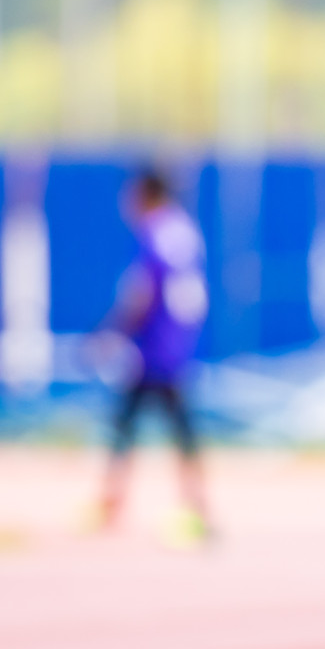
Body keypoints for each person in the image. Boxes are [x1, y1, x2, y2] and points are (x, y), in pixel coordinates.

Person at [96, 169, 211, 544]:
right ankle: (195, 504)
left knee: (128, 425)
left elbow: (140, 293)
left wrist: (114, 332)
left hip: (152, 349)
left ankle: (114, 503)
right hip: (177, 345)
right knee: (179, 429)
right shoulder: (186, 232)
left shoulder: (153, 234)